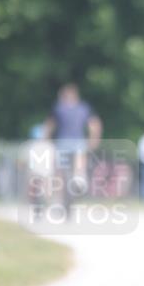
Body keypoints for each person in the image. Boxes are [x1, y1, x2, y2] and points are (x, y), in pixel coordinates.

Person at [43, 83, 102, 213]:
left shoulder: (59, 107)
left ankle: (61, 198)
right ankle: (79, 177)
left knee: (59, 172)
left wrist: (45, 140)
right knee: (78, 160)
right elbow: (95, 125)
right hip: (76, 142)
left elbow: (49, 126)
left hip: (63, 143)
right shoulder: (84, 108)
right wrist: (94, 139)